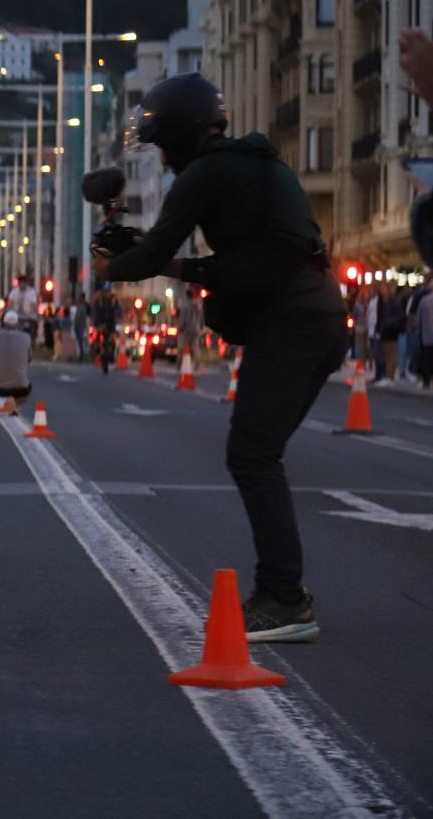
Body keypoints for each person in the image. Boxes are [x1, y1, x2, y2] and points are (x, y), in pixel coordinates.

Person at [97, 72, 344, 643]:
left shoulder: (205, 174)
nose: (163, 160)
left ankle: (284, 598)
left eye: (162, 145)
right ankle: (284, 592)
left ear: (180, 133)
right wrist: (153, 258)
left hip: (292, 322)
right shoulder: (259, 165)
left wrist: (113, 262)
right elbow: (239, 265)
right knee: (259, 452)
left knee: (252, 454)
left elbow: (152, 255)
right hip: (320, 315)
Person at [0, 311, 32, 415]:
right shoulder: (26, 337)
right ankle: (13, 402)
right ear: (18, 323)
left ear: (2, 322)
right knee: (27, 389)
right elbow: (29, 358)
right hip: (19, 387)